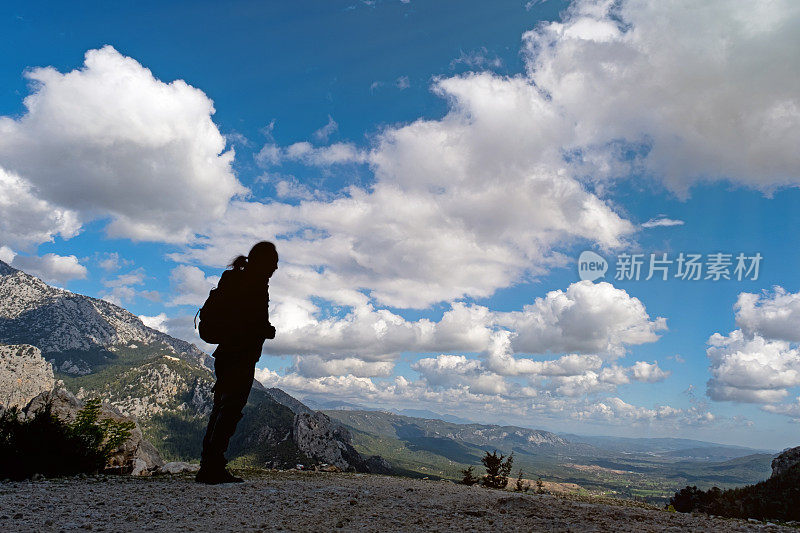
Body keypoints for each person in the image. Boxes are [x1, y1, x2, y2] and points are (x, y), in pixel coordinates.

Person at [196, 241, 278, 484]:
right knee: (230, 410)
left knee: (220, 408)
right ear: (263, 262)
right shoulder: (254, 283)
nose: (275, 268)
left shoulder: (238, 279)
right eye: (273, 262)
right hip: (240, 355)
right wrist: (268, 330)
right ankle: (212, 467)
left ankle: (208, 466)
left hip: (225, 354)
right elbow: (251, 321)